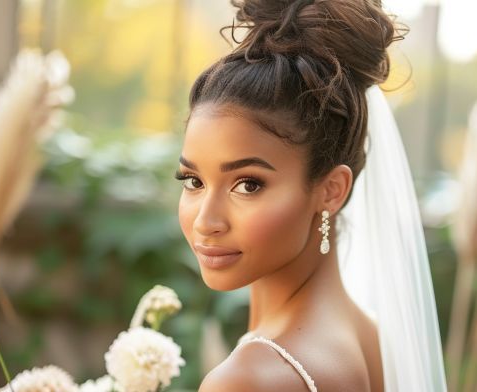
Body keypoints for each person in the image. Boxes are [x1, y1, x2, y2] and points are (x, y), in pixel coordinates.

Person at [175, 0, 447, 390]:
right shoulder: (375, 341)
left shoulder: (248, 380)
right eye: (193, 181)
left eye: (248, 184)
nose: (205, 221)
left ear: (331, 191)